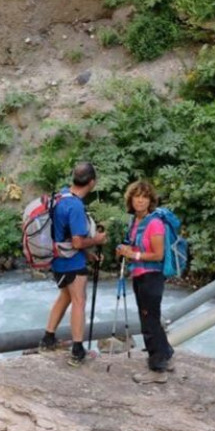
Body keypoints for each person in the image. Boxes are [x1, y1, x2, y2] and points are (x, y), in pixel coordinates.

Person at [39, 162, 107, 366]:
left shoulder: (61, 196)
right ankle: (77, 350)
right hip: (71, 262)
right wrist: (97, 240)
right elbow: (77, 241)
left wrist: (88, 255)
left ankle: (48, 338)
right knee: (79, 301)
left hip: (57, 258)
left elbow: (65, 235)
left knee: (65, 296)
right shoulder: (76, 206)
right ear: (92, 182)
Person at [115, 180, 174, 383]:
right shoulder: (135, 222)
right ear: (131, 199)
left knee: (149, 320)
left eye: (144, 197)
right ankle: (166, 354)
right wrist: (124, 250)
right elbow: (131, 246)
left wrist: (134, 255)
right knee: (149, 318)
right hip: (139, 276)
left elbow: (158, 254)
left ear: (150, 200)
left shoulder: (154, 223)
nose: (140, 200)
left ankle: (157, 367)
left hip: (152, 277)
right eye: (136, 196)